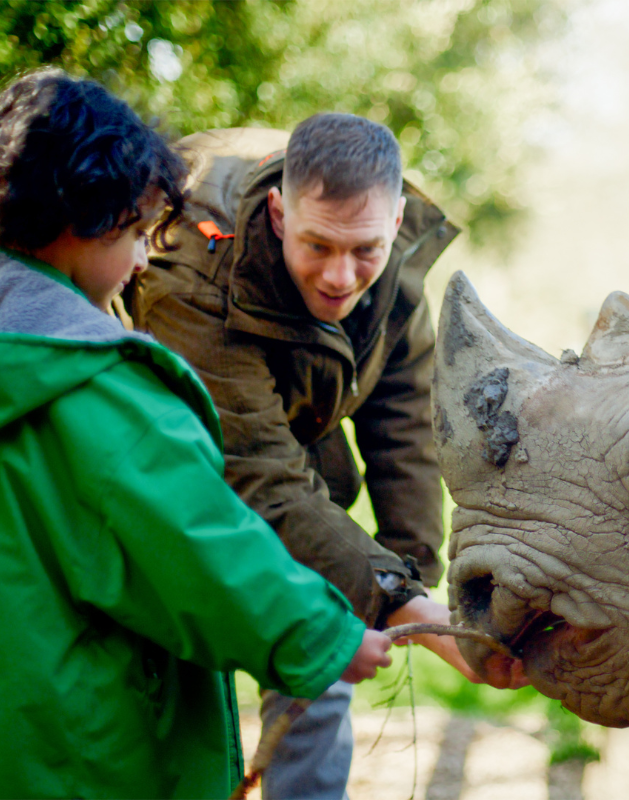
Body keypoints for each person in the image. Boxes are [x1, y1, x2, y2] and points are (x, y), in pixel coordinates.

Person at [0, 69, 393, 800]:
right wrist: (325, 636)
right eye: (137, 233)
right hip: (87, 744)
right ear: (81, 222)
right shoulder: (101, 387)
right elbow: (200, 542)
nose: (147, 260)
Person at [131, 114, 481, 799]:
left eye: (365, 250)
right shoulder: (193, 272)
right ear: (278, 210)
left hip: (302, 438)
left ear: (397, 219)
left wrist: (408, 580)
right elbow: (257, 473)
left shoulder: (396, 254)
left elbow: (403, 412)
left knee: (327, 634)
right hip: (173, 469)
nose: (340, 275)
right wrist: (400, 604)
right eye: (317, 244)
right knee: (175, 691)